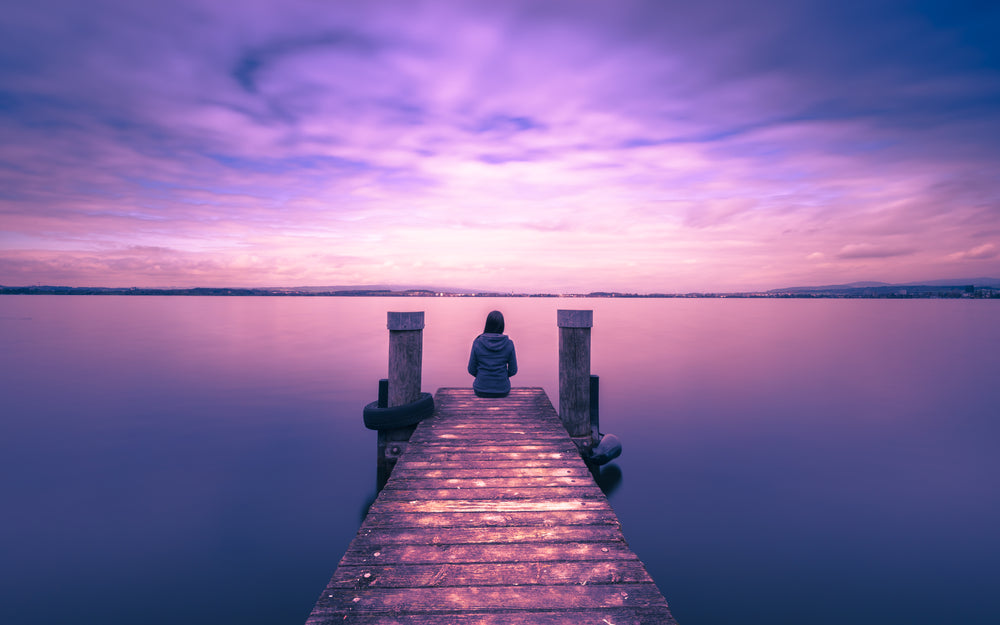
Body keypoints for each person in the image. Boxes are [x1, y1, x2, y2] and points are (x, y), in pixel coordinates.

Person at [468, 310, 518, 398]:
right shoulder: (509, 343)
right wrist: (501, 377)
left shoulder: (477, 342)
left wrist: (482, 376)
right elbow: (513, 370)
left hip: (480, 389)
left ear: (487, 324)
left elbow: (471, 369)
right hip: (503, 390)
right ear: (502, 325)